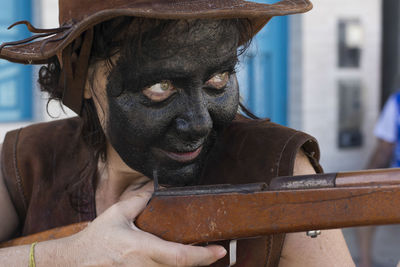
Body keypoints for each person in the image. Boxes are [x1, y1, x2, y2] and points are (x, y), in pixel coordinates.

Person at [0, 0, 355, 266]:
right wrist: (67, 257)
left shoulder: (275, 169)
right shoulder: (29, 158)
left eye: (218, 80)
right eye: (159, 86)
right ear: (82, 76)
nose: (199, 123)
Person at [358, 91, 400, 267]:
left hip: (396, 180)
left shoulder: (397, 101)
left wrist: (365, 177)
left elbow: (384, 150)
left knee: (361, 210)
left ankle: (365, 264)